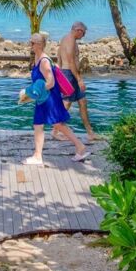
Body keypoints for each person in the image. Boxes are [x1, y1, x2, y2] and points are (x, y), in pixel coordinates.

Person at [23, 33, 87, 167]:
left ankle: (38, 156)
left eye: (32, 43)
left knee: (40, 124)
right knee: (56, 124)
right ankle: (80, 147)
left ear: (39, 45)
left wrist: (34, 91)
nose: (30, 45)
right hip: (45, 98)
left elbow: (50, 83)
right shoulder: (37, 57)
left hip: (48, 98)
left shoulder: (44, 61)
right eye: (31, 42)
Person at [55, 21, 102, 143]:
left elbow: (59, 57)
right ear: (78, 30)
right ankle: (55, 131)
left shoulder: (65, 38)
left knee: (82, 102)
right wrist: (79, 79)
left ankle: (90, 133)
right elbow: (70, 61)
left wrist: (60, 73)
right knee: (66, 103)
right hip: (70, 75)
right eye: (84, 33)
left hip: (69, 74)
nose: (84, 36)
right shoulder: (70, 40)